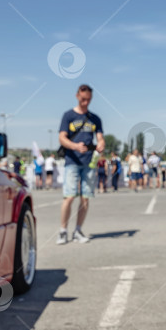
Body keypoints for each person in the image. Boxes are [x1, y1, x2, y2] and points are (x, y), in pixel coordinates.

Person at [57, 84, 104, 244]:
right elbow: (62, 138)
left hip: (89, 162)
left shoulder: (95, 118)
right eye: (83, 99)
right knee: (69, 197)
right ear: (77, 96)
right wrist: (75, 146)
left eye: (88, 100)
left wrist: (101, 144)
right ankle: (63, 231)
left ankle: (78, 230)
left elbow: (100, 137)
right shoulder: (68, 116)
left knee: (85, 198)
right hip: (72, 160)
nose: (85, 103)